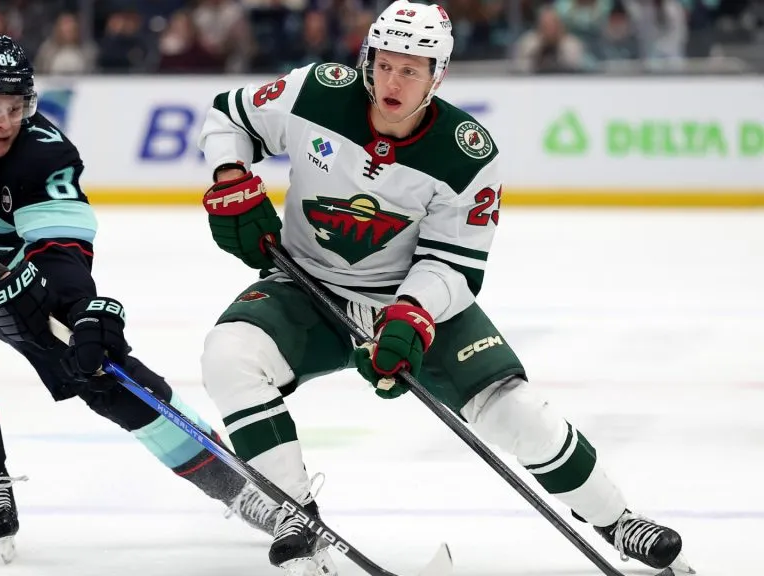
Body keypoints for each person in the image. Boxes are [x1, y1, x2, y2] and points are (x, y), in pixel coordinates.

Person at [195, 2, 693, 575]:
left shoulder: (465, 154)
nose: (393, 81)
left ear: (438, 76)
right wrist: (230, 176)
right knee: (228, 356)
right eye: (384, 64)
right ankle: (294, 513)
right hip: (306, 283)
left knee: (518, 413)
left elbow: (454, 263)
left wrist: (411, 315)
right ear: (366, 59)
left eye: (411, 70)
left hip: (409, 297)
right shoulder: (315, 93)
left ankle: (617, 519)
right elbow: (225, 119)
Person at [0, 33, 276, 563]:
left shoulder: (45, 149)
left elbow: (60, 244)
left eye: (16, 106)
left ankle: (239, 487)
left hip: (3, 272)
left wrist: (78, 310)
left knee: (98, 364)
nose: (5, 122)